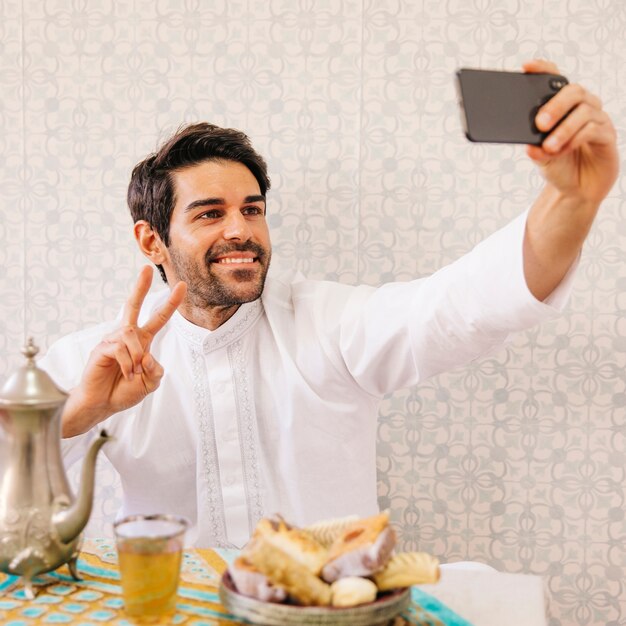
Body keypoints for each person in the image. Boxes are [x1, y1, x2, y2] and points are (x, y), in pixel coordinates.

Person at [41, 60, 618, 548]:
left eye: (253, 208)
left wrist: (572, 198)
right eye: (210, 213)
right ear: (151, 240)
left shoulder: (330, 323)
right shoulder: (100, 361)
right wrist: (78, 418)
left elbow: (461, 306)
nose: (242, 230)